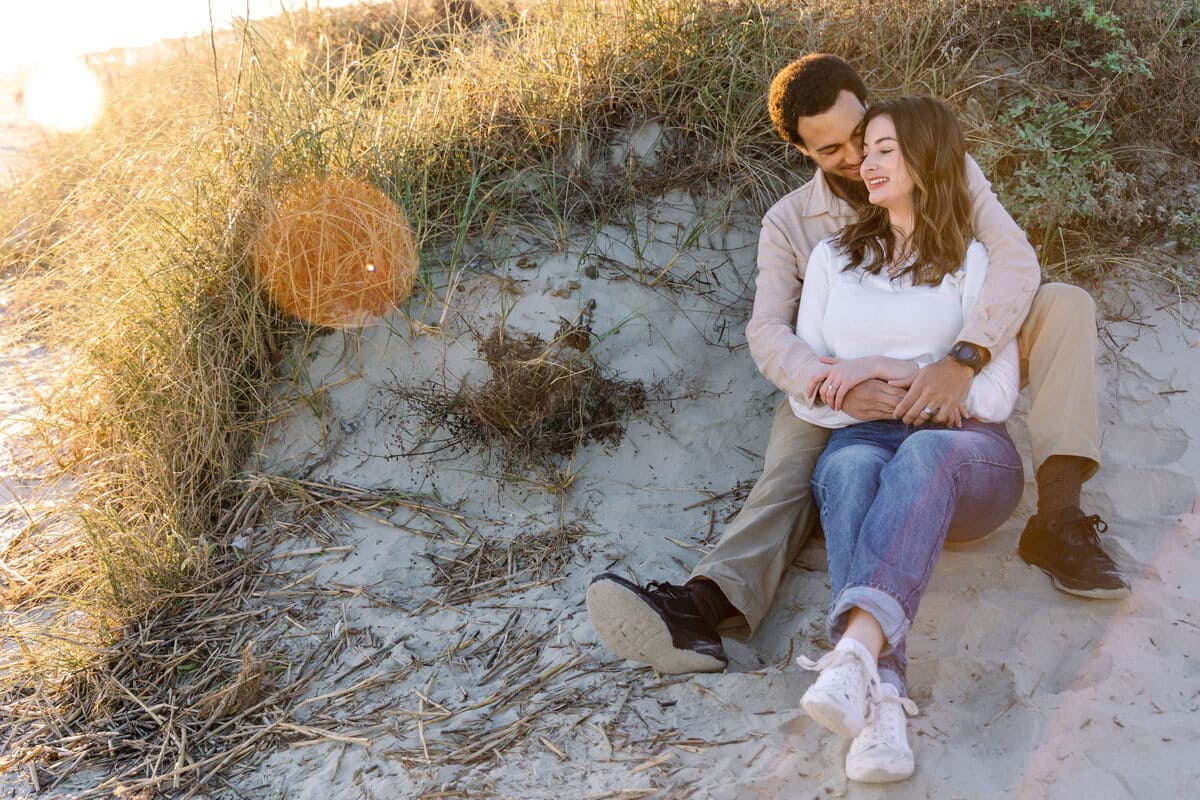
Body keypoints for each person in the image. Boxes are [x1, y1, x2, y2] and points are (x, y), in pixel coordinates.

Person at [585, 54, 1128, 677]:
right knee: (794, 465)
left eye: (859, 135)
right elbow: (767, 330)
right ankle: (709, 604)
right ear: (802, 151)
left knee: (1064, 304)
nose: (852, 158)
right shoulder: (790, 224)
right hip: (844, 383)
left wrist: (965, 358)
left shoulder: (941, 168)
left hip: (959, 342)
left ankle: (1058, 519)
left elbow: (1013, 259)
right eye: (829, 150)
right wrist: (832, 386)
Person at [793, 95, 1024, 783]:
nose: (866, 162)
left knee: (921, 451)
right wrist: (847, 388)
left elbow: (994, 394)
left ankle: (853, 654)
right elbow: (810, 380)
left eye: (885, 148)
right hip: (861, 439)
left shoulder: (973, 260)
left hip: (966, 458)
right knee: (853, 468)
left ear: (925, 158)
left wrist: (897, 370)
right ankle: (882, 697)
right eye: (868, 150)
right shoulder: (834, 258)